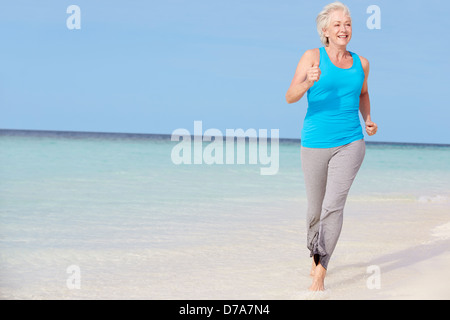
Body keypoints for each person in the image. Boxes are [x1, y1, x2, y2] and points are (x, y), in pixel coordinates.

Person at [285, 1, 378, 292]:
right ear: (325, 30)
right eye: (337, 24)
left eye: (347, 24)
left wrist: (368, 120)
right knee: (315, 210)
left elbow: (363, 94)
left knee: (333, 207)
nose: (344, 29)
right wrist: (307, 83)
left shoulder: (361, 63)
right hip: (313, 142)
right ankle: (314, 256)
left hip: (350, 142)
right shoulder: (312, 57)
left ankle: (322, 270)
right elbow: (290, 96)